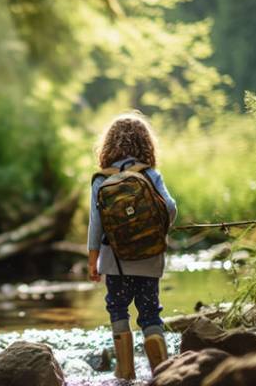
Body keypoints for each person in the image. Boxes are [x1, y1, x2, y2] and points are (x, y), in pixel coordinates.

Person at [87, 111, 177, 380]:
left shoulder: (101, 179)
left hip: (114, 260)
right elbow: (170, 208)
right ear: (145, 144)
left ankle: (125, 370)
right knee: (150, 311)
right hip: (149, 258)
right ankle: (161, 371)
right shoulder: (149, 174)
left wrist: (93, 261)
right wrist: (156, 228)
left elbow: (96, 225)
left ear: (108, 146)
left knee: (117, 308)